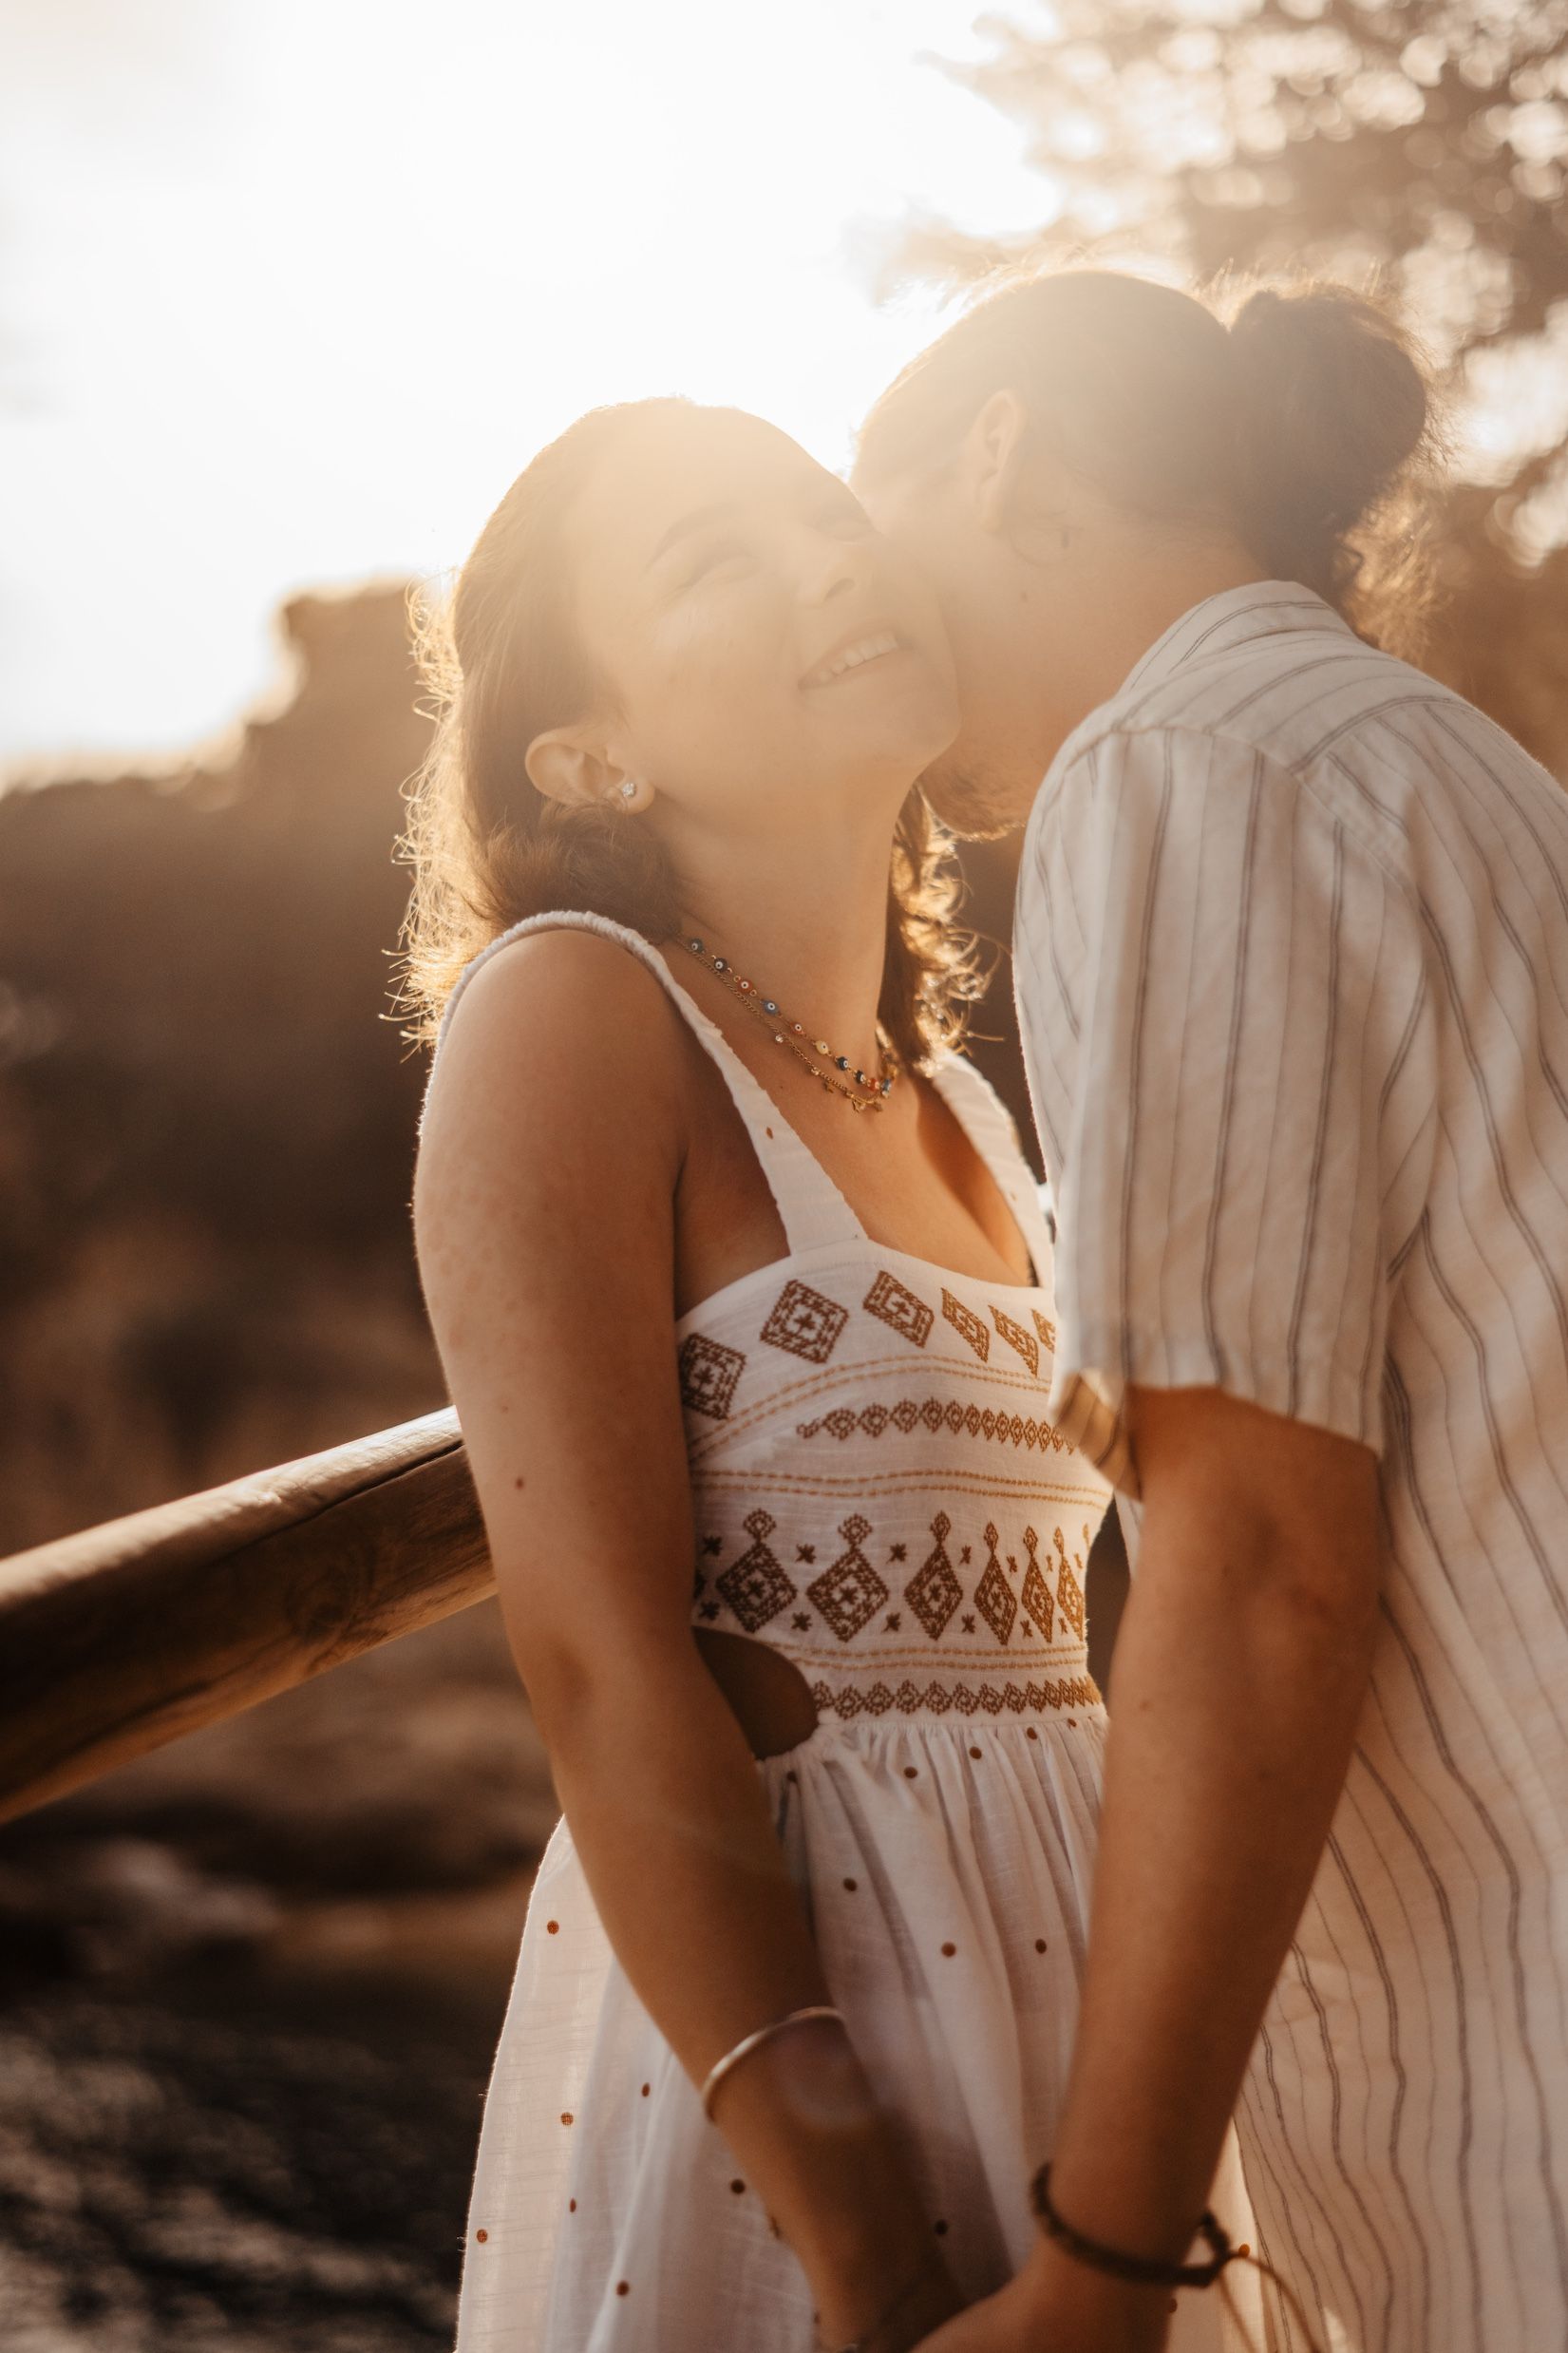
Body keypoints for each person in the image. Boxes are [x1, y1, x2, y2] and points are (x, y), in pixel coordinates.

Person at [406, 399, 1242, 2351]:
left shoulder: (963, 1103)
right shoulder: (572, 1014)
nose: (832, 559)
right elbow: (605, 1665)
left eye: (818, 512)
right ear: (588, 751)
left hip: (1075, 2015)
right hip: (812, 2063)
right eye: (718, 558)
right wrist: (858, 2243)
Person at [853, 268, 1568, 2353]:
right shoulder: (1453, 769)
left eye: (867, 541)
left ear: (995, 454)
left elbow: (1253, 1561)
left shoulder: (1170, 767)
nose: (874, 657)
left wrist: (1101, 2261)